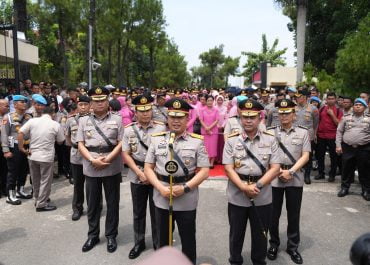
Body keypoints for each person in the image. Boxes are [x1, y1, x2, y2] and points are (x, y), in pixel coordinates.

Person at [144, 98, 210, 264]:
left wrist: (186, 188)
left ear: (187, 119)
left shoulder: (197, 141)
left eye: (180, 117)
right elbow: (148, 168)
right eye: (172, 117)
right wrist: (160, 188)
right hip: (162, 195)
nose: (175, 121)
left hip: (186, 196)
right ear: (167, 118)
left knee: (188, 239)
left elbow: (204, 171)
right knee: (163, 240)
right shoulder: (156, 139)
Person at [223, 99, 280, 265]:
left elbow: (275, 168)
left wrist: (258, 185)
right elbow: (228, 168)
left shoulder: (270, 139)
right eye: (245, 117)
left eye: (252, 117)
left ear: (260, 118)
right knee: (236, 234)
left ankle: (258, 261)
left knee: (261, 234)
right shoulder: (232, 140)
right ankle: (235, 261)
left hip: (262, 194)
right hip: (237, 194)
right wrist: (243, 187)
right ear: (240, 118)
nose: (248, 120)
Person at [76, 86, 123, 253]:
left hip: (111, 164)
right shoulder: (83, 120)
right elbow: (80, 143)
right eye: (96, 100)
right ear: (91, 103)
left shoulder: (117, 119)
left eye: (102, 100)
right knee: (93, 204)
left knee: (112, 203)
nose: (100, 103)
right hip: (91, 165)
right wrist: (91, 159)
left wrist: (108, 158)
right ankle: (93, 235)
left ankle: (111, 235)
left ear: (108, 100)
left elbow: (121, 142)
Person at [266, 99, 310, 264]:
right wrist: (277, 171)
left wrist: (291, 171)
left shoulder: (303, 132)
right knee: (273, 215)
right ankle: (273, 244)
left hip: (294, 176)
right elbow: (266, 156)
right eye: (281, 113)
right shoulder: (270, 132)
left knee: (294, 214)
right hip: (275, 176)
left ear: (294, 114)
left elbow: (305, 155)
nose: (283, 116)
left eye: (287, 113)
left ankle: (293, 247)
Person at [122, 94, 166, 259]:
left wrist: (152, 173)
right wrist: (140, 173)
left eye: (148, 110)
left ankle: (158, 243)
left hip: (155, 175)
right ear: (136, 112)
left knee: (157, 212)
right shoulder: (129, 130)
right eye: (142, 111)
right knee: (138, 212)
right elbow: (126, 154)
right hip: (137, 174)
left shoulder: (161, 128)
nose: (146, 114)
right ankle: (139, 242)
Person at [18, 106, 65, 211]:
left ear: (42, 113)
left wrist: (21, 148)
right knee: (45, 180)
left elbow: (20, 133)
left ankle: (37, 199)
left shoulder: (33, 121)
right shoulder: (55, 124)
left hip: (32, 155)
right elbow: (61, 141)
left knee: (35, 179)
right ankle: (41, 204)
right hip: (46, 157)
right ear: (52, 114)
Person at [336, 98, 370, 201]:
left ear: (365, 108)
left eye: (361, 105)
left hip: (364, 148)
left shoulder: (368, 119)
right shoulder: (346, 118)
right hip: (348, 148)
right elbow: (339, 132)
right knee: (346, 169)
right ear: (353, 107)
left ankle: (366, 190)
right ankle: (344, 188)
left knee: (364, 170)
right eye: (356, 105)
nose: (358, 106)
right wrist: (338, 145)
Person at [1, 95, 32, 205]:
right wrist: (5, 150)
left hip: (26, 146)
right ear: (14, 104)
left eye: (25, 102)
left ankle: (21, 190)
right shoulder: (8, 117)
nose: (24, 103)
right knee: (13, 171)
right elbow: (4, 134)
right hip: (13, 147)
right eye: (21, 102)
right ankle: (10, 194)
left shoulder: (29, 117)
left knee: (24, 169)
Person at [65, 95, 91, 221]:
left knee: (93, 184)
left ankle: (95, 206)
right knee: (78, 184)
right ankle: (77, 208)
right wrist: (76, 147)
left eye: (86, 104)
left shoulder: (94, 119)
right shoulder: (70, 120)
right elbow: (68, 137)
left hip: (91, 154)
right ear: (77, 106)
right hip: (76, 155)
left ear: (90, 105)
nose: (83, 107)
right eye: (81, 104)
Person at [315, 92, 343, 182]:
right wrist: (315, 133)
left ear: (335, 100)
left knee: (333, 157)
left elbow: (339, 124)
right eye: (329, 98)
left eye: (332, 98)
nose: (330, 100)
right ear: (326, 100)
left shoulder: (339, 111)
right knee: (320, 156)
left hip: (333, 136)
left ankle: (332, 175)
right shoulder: (322, 108)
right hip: (321, 136)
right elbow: (317, 122)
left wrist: (332, 115)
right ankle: (321, 173)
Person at [294, 89, 319, 184]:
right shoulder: (293, 108)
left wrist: (315, 134)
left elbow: (316, 123)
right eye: (296, 97)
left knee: (308, 156)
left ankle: (307, 175)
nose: (297, 98)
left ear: (304, 97)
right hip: (295, 135)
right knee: (296, 155)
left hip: (308, 136)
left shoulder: (313, 109)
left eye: (298, 97)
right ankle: (296, 173)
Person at [199, 95, 219, 167]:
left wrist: (209, 128)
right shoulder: (202, 109)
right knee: (205, 147)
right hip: (204, 131)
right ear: (206, 101)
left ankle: (212, 163)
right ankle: (206, 162)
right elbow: (201, 120)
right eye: (208, 101)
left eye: (211, 100)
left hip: (213, 131)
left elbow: (217, 120)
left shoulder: (216, 110)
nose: (210, 102)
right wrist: (206, 128)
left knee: (213, 147)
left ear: (213, 101)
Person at [0, 99, 9, 198]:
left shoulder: (8, 117)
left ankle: (4, 189)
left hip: (5, 146)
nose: (7, 107)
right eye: (5, 106)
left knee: (5, 169)